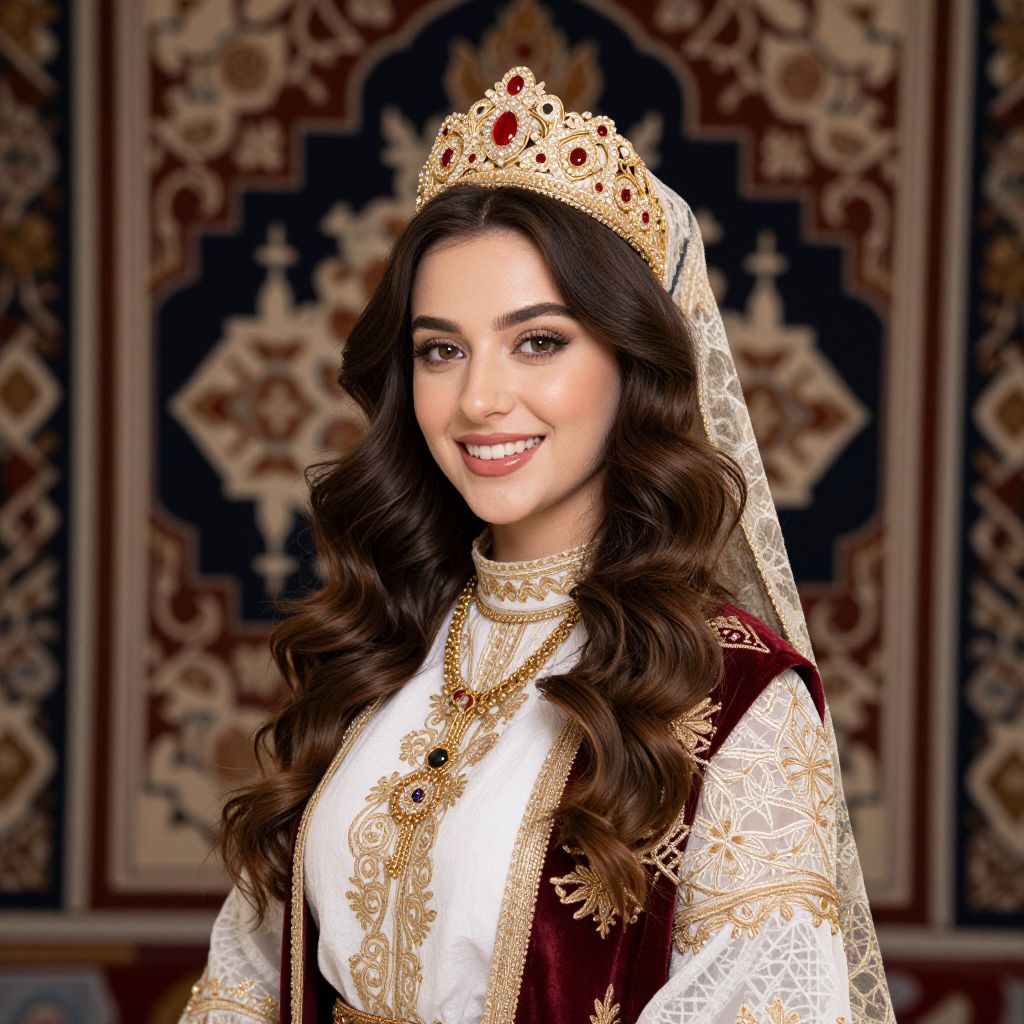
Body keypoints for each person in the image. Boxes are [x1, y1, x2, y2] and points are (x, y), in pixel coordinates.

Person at [179, 66, 894, 1024]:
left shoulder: (736, 701)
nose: (478, 399)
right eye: (441, 349)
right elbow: (245, 980)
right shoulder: (384, 641)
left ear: (630, 361)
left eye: (539, 341)